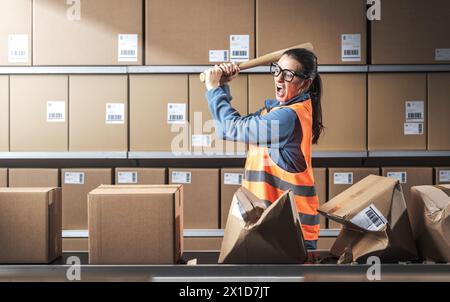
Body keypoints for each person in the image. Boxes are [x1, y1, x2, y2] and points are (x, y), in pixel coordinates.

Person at [203, 48, 324, 250]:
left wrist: (213, 89)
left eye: (288, 74)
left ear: (305, 83)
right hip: (272, 228)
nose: (279, 78)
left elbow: (230, 128)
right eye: (277, 70)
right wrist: (223, 85)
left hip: (291, 233)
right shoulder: (275, 111)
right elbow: (234, 126)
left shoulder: (287, 117)